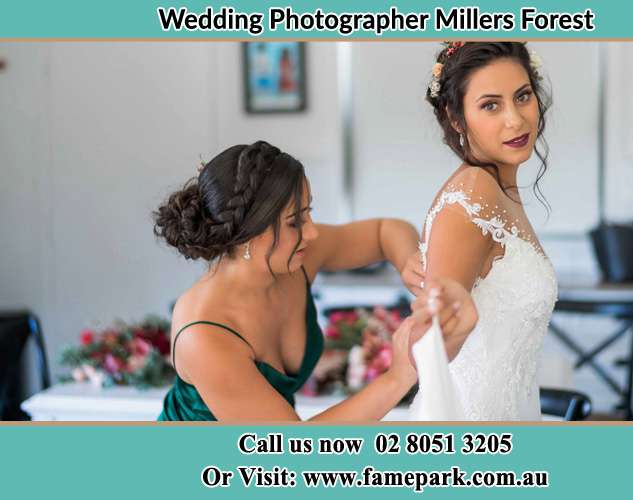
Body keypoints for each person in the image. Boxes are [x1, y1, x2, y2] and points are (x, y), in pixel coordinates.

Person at [153, 140, 477, 421]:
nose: (313, 232)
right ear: (246, 235)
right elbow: (292, 449)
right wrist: (399, 376)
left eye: (309, 212)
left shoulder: (296, 258)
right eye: (295, 222)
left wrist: (414, 267)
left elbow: (385, 232)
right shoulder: (204, 335)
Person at [411, 42, 558, 420]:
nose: (516, 120)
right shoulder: (474, 194)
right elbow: (430, 345)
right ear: (456, 118)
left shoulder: (497, 188)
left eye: (523, 96)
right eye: (490, 105)